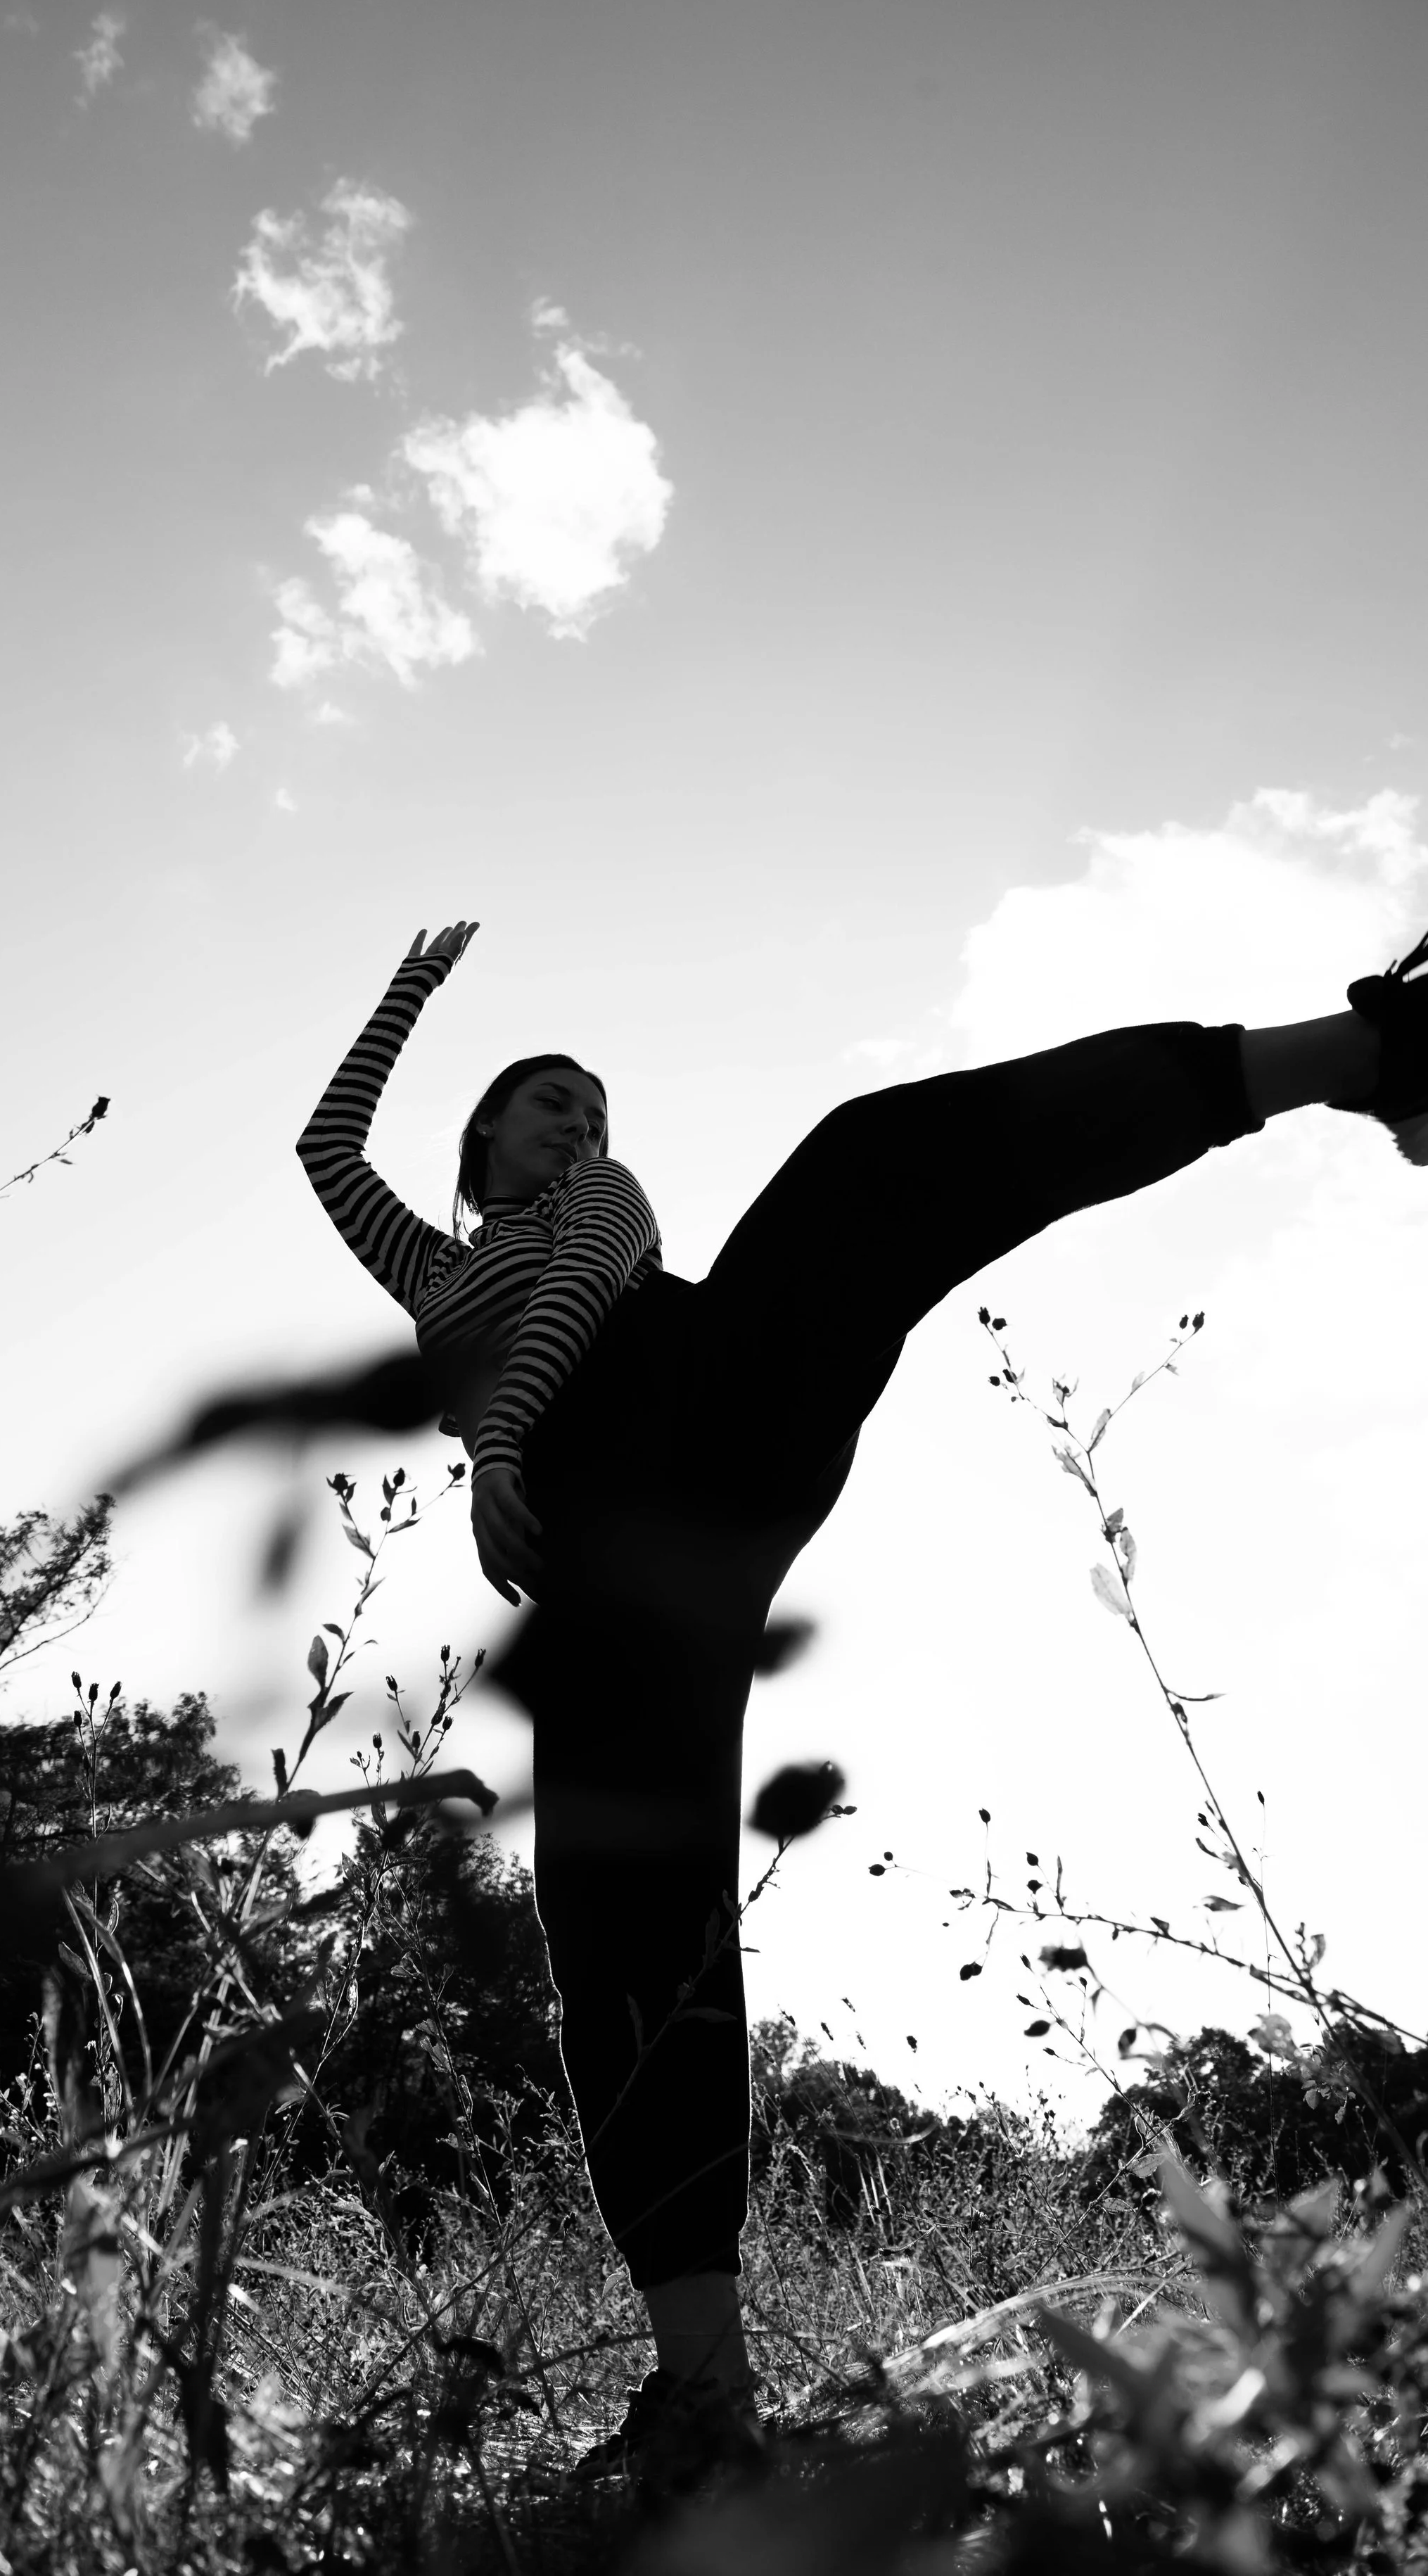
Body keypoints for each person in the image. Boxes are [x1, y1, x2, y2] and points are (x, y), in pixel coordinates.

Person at [296, 917, 1428, 2478]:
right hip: (621, 1567)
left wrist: (491, 1447)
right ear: (480, 1131)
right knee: (619, 1920)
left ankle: (1358, 1055)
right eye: (547, 1102)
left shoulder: (602, 1209)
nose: (581, 1124)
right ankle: (702, 2383)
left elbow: (561, 1314)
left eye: (593, 1105)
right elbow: (325, 1143)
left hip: (703, 1395)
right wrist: (411, 989)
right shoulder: (430, 1260)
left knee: (861, 1166)